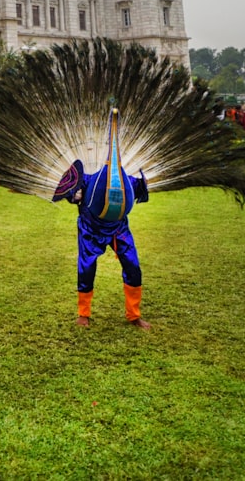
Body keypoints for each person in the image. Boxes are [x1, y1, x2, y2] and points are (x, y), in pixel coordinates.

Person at [53, 108, 150, 329]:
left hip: (118, 228)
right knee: (86, 267)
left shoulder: (129, 180)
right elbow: (69, 190)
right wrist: (73, 195)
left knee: (133, 267)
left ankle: (134, 314)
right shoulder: (86, 179)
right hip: (91, 228)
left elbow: (141, 191)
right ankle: (83, 313)